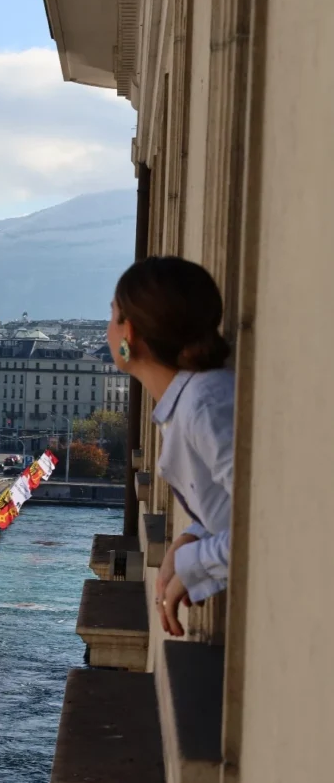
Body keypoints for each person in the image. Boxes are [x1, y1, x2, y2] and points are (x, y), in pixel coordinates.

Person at [107, 255, 234, 637]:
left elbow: (267, 526)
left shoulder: (205, 404)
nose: (106, 334)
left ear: (129, 333)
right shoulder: (194, 401)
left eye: (111, 317)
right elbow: (236, 506)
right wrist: (193, 535)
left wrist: (193, 561)